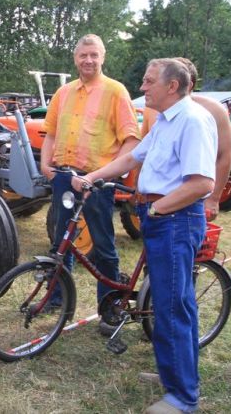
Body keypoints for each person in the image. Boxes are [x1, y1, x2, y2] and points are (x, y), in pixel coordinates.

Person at [73, 57, 217, 414]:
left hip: (173, 219)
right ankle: (175, 378)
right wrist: (91, 178)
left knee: (171, 307)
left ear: (172, 86)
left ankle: (183, 397)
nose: (142, 87)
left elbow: (202, 183)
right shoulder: (167, 122)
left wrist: (157, 209)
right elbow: (129, 159)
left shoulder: (193, 121)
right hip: (163, 218)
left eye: (149, 81)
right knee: (173, 304)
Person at [40, 34, 140, 332]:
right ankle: (58, 298)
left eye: (94, 55)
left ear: (103, 58)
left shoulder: (115, 92)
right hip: (64, 177)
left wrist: (107, 175)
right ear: (75, 58)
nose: (88, 60)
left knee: (103, 246)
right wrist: (46, 166)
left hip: (96, 182)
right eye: (83, 55)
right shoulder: (64, 93)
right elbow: (51, 133)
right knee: (61, 241)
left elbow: (131, 141)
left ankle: (108, 306)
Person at [139, 58, 231, 219]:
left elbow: (224, 155)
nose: (144, 88)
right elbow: (141, 155)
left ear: (187, 85)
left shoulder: (207, 113)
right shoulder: (157, 111)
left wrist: (214, 198)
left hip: (181, 209)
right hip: (158, 206)